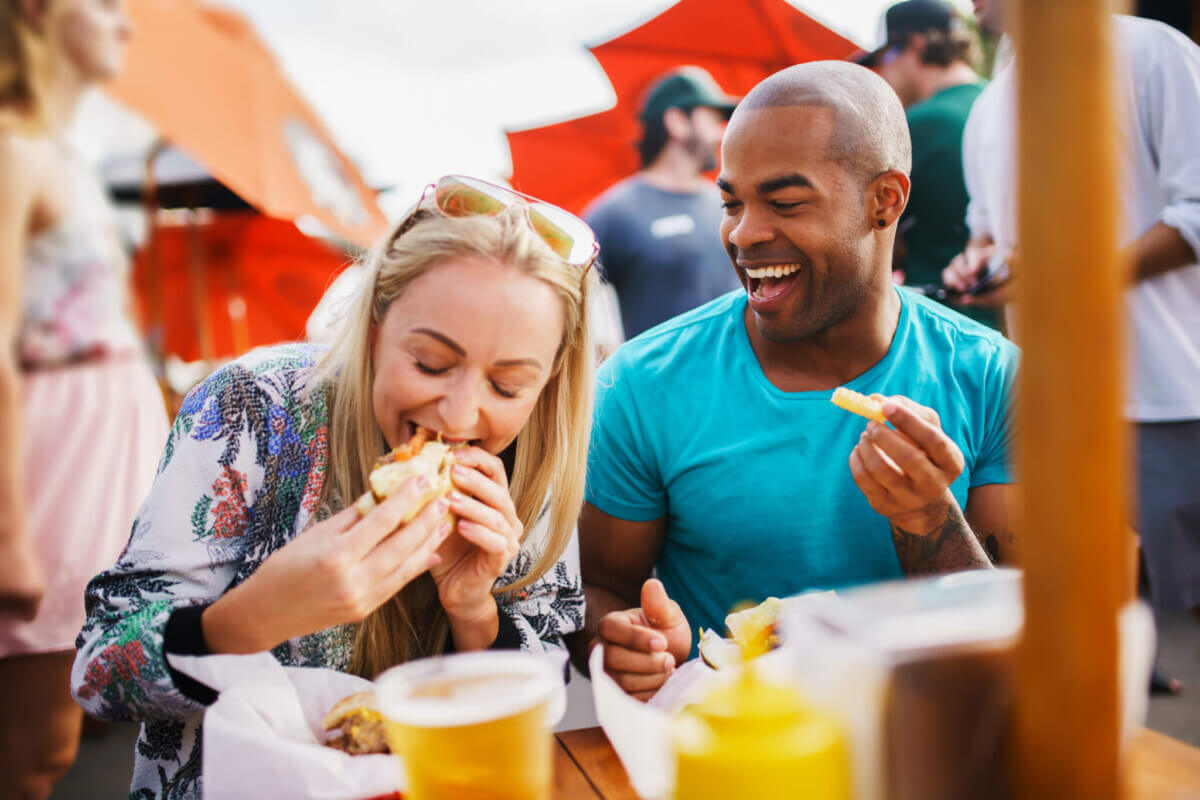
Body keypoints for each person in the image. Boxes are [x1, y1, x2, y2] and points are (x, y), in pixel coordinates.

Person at [71, 176, 596, 797]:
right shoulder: (253, 408)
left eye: (507, 386)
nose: (458, 415)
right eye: (430, 363)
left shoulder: (528, 459)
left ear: (549, 379)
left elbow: (540, 692)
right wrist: (254, 616)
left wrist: (474, 610)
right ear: (376, 323)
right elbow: (100, 672)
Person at [571, 61, 1019, 699]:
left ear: (884, 200)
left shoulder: (991, 375)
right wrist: (624, 642)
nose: (743, 233)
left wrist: (927, 518)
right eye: (731, 202)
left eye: (784, 202)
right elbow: (599, 590)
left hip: (929, 746)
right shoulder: (641, 385)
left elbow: (1019, 632)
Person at [945, 0, 1200, 692]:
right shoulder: (989, 104)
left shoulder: (1155, 53)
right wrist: (977, 267)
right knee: (1095, 631)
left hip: (1175, 388)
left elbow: (1197, 213)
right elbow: (987, 233)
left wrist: (1061, 279)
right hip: (1054, 405)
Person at [0, 1, 169, 797]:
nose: (124, 24)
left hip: (81, 481)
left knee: (43, 749)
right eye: (102, 4)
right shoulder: (13, 154)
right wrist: (10, 537)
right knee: (30, 755)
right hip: (45, 488)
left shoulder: (58, 156)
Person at [857, 0, 1000, 331]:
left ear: (916, 44)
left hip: (946, 331)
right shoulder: (1001, 101)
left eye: (884, 59)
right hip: (1013, 332)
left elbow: (862, 239)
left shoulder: (915, 124)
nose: (883, 74)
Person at [584, 66, 741, 339]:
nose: (720, 134)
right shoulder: (616, 212)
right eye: (712, 121)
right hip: (654, 379)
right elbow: (567, 296)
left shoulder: (730, 204)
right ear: (677, 121)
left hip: (737, 376)